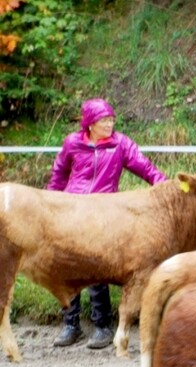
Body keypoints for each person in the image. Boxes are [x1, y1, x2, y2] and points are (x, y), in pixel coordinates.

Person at [47, 98, 167, 349]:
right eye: (104, 121)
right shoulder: (72, 142)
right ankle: (71, 325)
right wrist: (49, 205)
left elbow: (146, 168)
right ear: (90, 124)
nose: (110, 124)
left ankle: (102, 326)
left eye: (112, 120)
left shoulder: (120, 143)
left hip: (103, 213)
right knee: (67, 267)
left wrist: (169, 189)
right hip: (72, 210)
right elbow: (59, 174)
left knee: (97, 267)